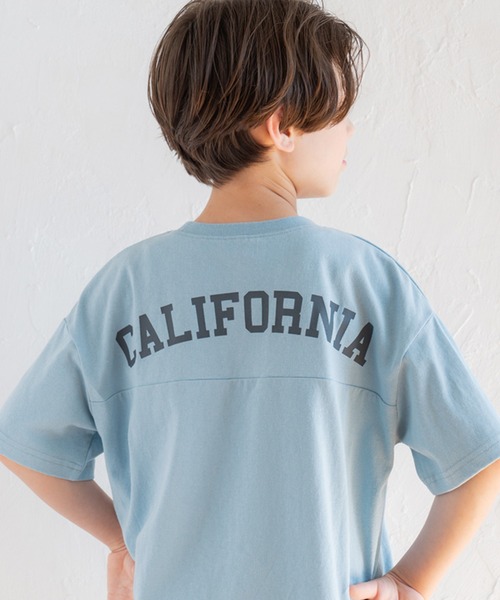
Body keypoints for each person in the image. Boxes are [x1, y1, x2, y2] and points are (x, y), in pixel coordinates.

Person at [0, 0, 499, 598]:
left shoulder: (123, 289)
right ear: (281, 125)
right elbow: (479, 458)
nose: (350, 131)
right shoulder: (367, 281)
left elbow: (26, 443)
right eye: (341, 113)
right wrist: (410, 582)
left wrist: (125, 542)